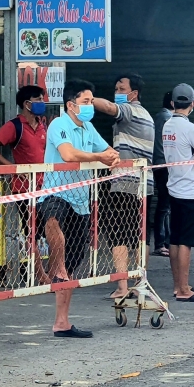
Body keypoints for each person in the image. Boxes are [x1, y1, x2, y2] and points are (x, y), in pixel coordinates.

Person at [39, 79, 121, 337]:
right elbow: (68, 155)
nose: (90, 106)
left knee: (73, 264)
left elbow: (109, 151)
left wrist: (112, 157)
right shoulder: (59, 124)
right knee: (53, 220)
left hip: (81, 200)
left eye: (91, 101)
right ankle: (55, 266)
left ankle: (61, 322)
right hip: (56, 192)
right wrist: (99, 157)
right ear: (71, 105)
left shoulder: (88, 127)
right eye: (86, 101)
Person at [93, 73, 154, 299]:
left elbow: (110, 108)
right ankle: (140, 283)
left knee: (118, 234)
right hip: (144, 183)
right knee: (140, 235)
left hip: (125, 183)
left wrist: (86, 99)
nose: (117, 93)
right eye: (116, 89)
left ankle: (122, 287)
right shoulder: (146, 115)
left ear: (133, 94)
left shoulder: (129, 110)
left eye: (121, 89)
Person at [0, 85, 49, 280]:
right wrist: (13, 169)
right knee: (32, 232)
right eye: (38, 99)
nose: (42, 103)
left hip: (46, 186)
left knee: (50, 229)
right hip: (24, 188)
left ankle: (52, 271)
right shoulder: (14, 126)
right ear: (27, 104)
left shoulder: (42, 124)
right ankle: (40, 274)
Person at [162, 83, 194, 303]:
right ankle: (184, 289)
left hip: (173, 187)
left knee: (175, 239)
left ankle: (179, 286)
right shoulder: (190, 128)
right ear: (193, 104)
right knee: (186, 242)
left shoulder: (167, 126)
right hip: (190, 191)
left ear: (173, 103)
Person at [148, 91, 174, 257]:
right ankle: (161, 242)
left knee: (166, 205)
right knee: (164, 206)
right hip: (165, 165)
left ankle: (165, 241)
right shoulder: (167, 118)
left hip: (161, 164)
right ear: (172, 103)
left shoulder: (160, 117)